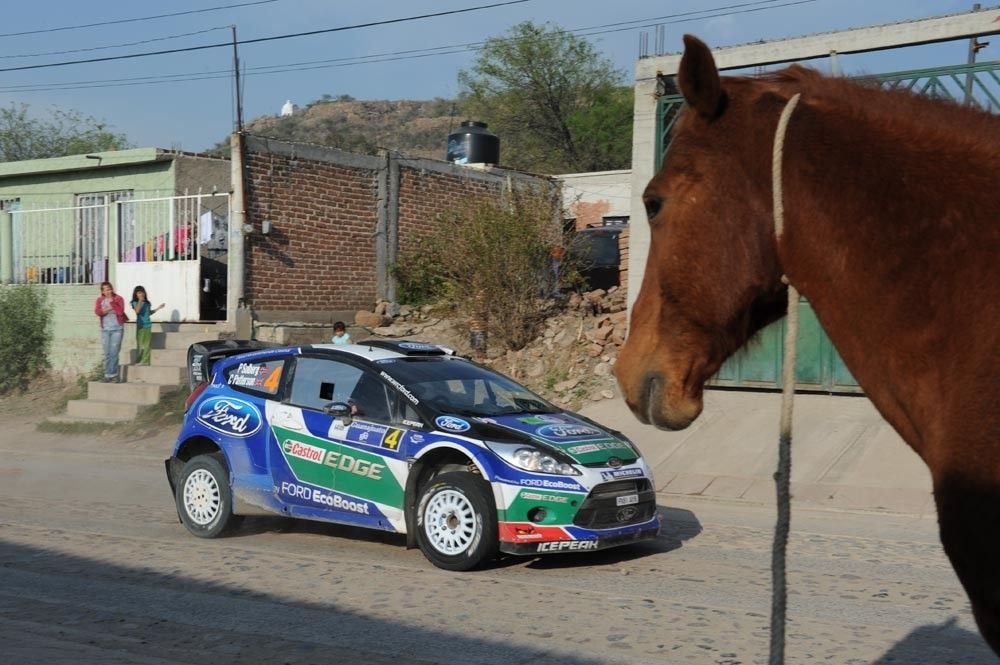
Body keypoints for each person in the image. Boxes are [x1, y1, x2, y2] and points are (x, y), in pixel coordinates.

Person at [94, 281, 127, 383]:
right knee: (107, 353)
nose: (108, 291)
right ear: (102, 291)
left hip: (117, 329)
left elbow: (120, 311)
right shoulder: (100, 300)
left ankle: (114, 375)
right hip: (105, 330)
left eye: (110, 289)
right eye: (106, 290)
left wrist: (112, 302)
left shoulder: (118, 299)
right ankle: (107, 375)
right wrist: (109, 309)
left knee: (114, 353)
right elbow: (98, 312)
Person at [130, 286, 165, 366]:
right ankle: (139, 360)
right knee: (140, 344)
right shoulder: (135, 302)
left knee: (147, 344)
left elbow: (149, 313)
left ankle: (145, 361)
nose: (141, 294)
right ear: (136, 294)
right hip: (140, 326)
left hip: (148, 325)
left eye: (142, 292)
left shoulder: (147, 303)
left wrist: (158, 308)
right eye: (138, 293)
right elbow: (137, 311)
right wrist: (140, 301)